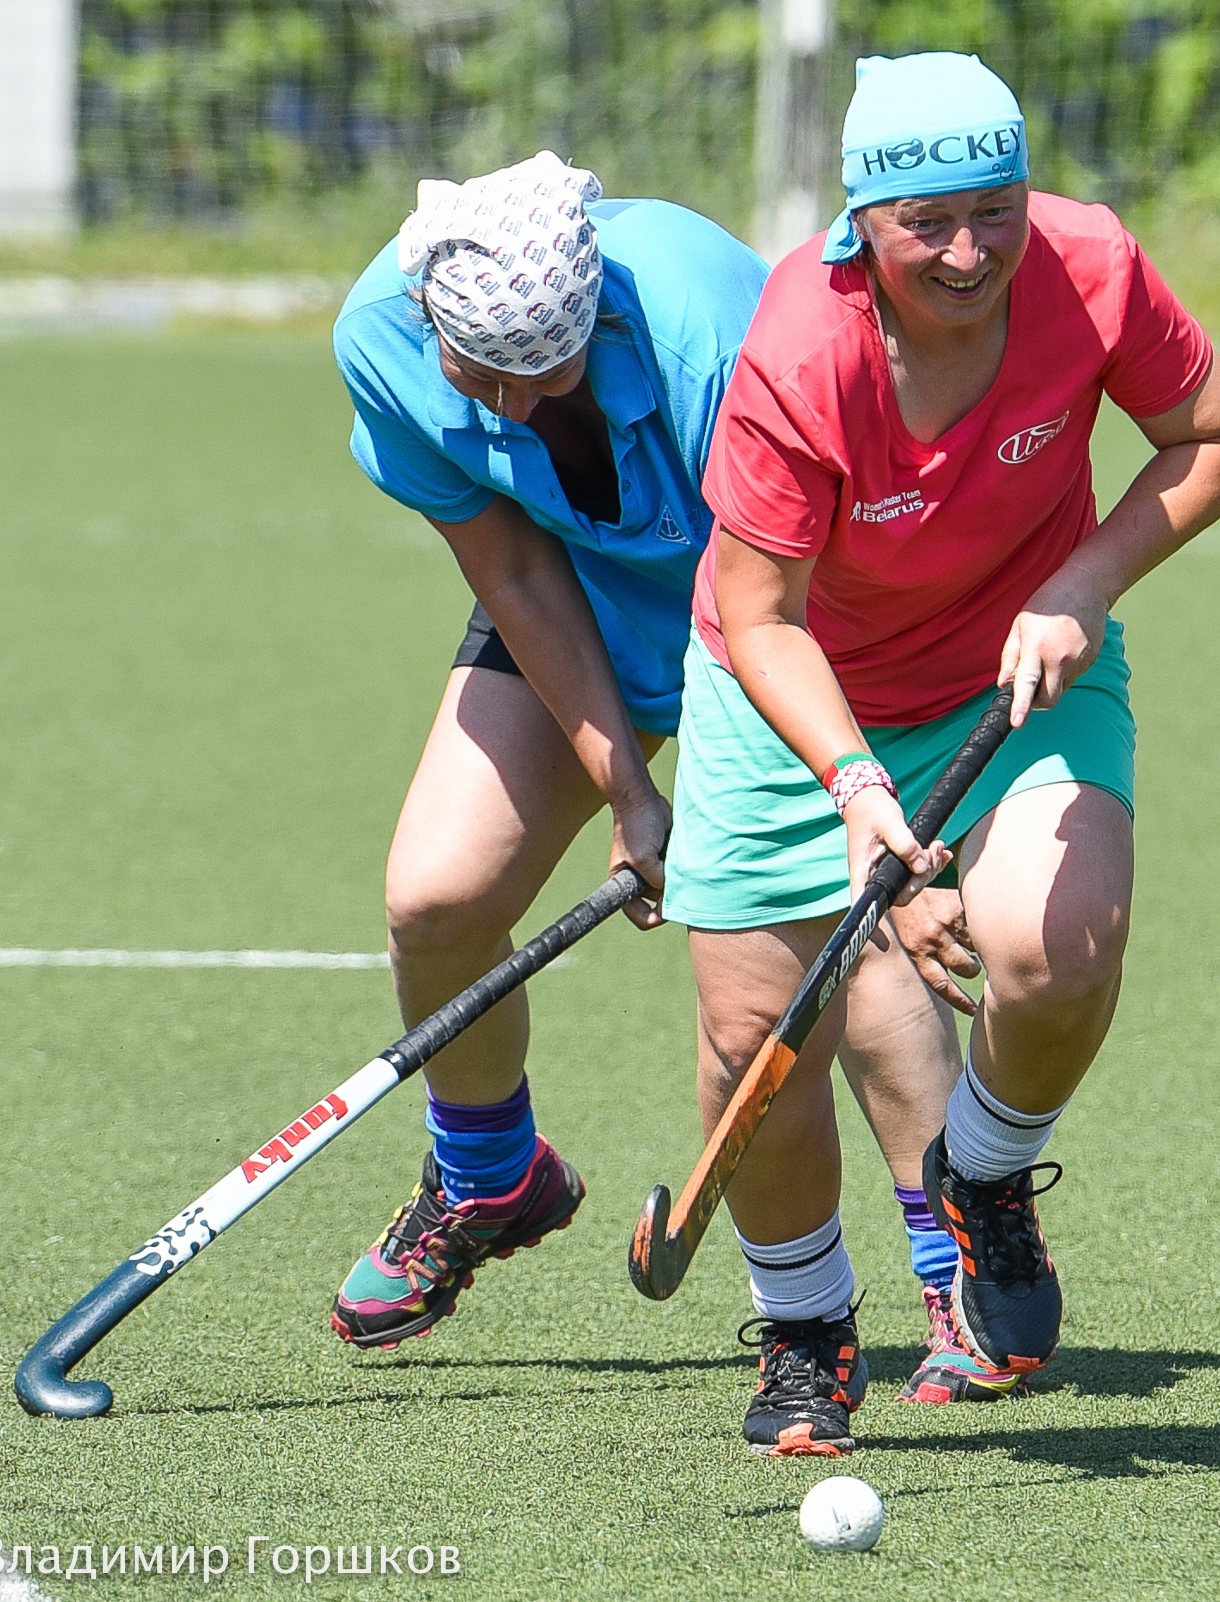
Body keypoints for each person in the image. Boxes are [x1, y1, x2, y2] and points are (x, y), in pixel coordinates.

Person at [664, 54, 1220, 1455]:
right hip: (791, 690)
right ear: (862, 222)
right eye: (928, 219)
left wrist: (1089, 580)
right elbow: (757, 614)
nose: (971, 249)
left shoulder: (1092, 265)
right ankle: (809, 1330)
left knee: (1057, 946)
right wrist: (857, 786)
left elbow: (1216, 437)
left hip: (1023, 662)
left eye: (996, 208)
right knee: (759, 1036)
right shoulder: (798, 351)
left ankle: (982, 1172)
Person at [326, 152, 969, 1359]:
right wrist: (631, 790)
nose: (514, 407)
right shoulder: (383, 341)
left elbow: (784, 589)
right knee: (437, 896)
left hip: (782, 610)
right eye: (487, 377)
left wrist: (832, 791)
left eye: (548, 374)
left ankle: (956, 1266)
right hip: (579, 594)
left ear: (600, 311)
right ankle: (488, 1178)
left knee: (850, 922)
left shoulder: (713, 335)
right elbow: (514, 568)